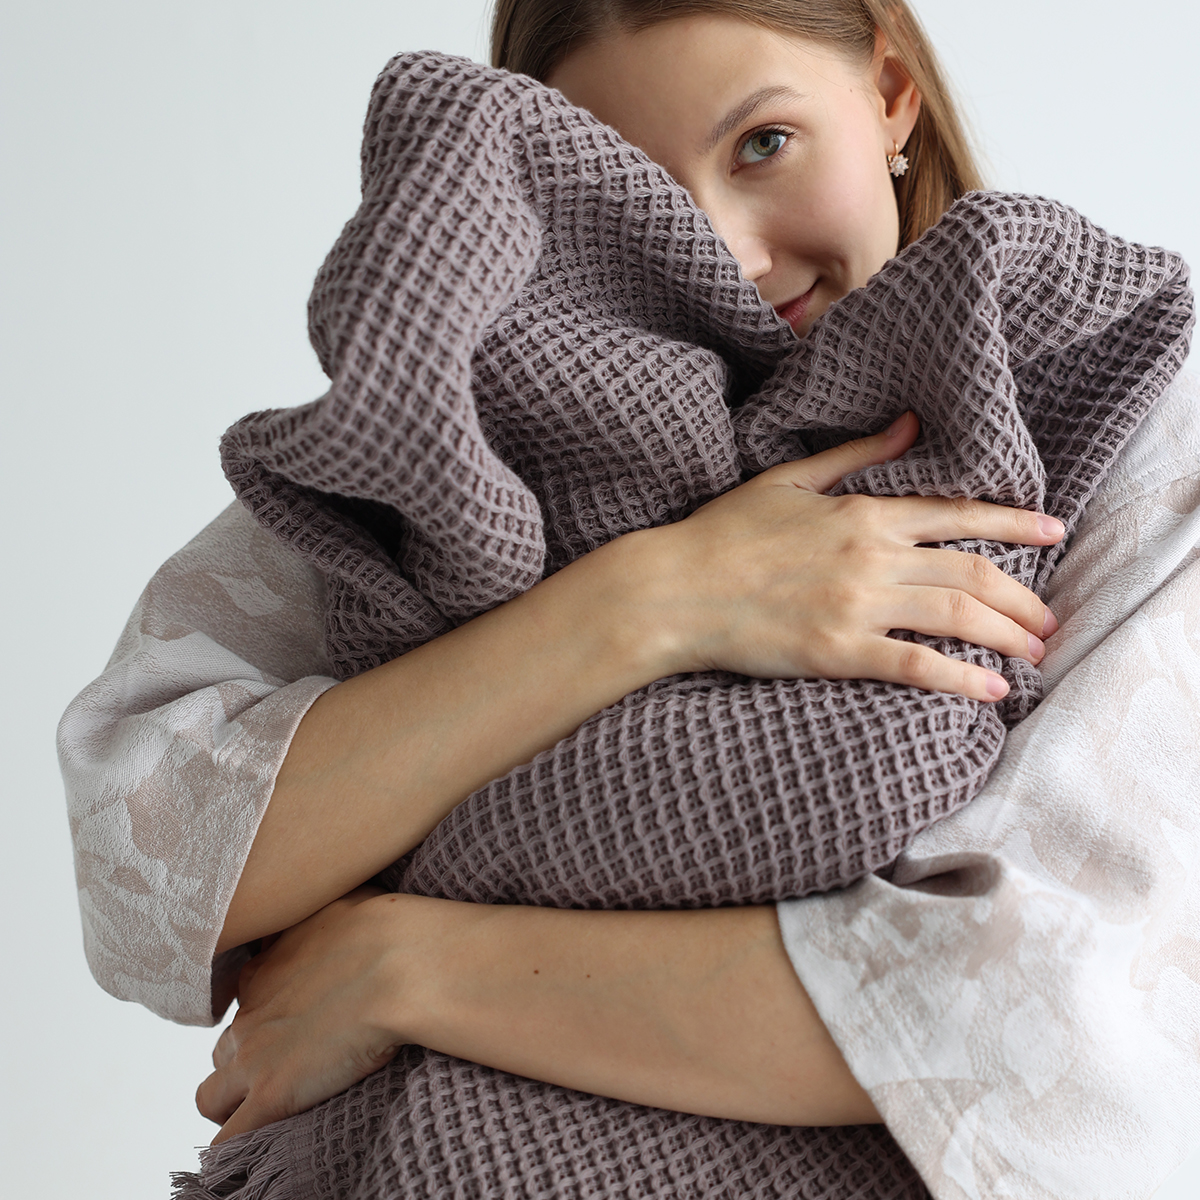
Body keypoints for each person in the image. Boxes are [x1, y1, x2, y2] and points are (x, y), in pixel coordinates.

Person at [62, 0, 1180, 1182]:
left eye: (763, 144)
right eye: (635, 192)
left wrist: (409, 968)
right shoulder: (453, 441)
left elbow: (1052, 1024)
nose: (725, 256)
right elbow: (148, 861)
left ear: (891, 93)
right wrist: (652, 600)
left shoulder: (1112, 407)